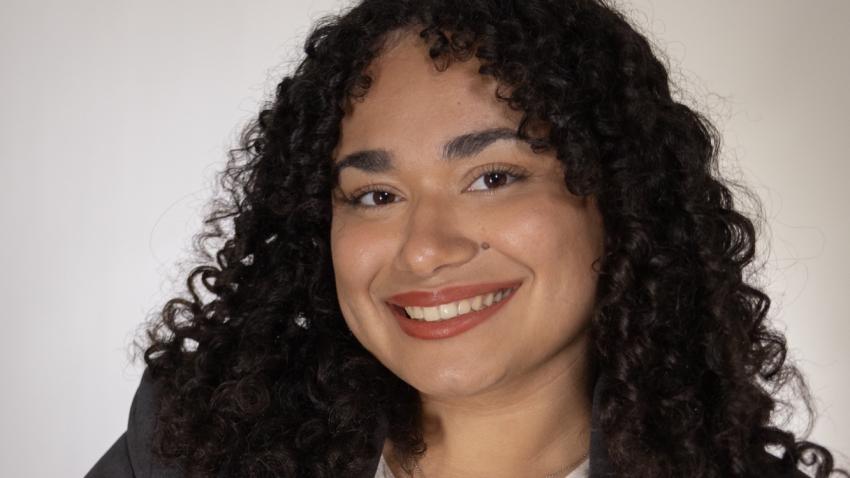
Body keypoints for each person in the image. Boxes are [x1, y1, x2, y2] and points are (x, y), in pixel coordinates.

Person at [86, 1, 846, 477]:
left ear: (620, 201)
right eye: (376, 195)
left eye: (493, 178)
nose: (424, 248)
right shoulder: (195, 446)